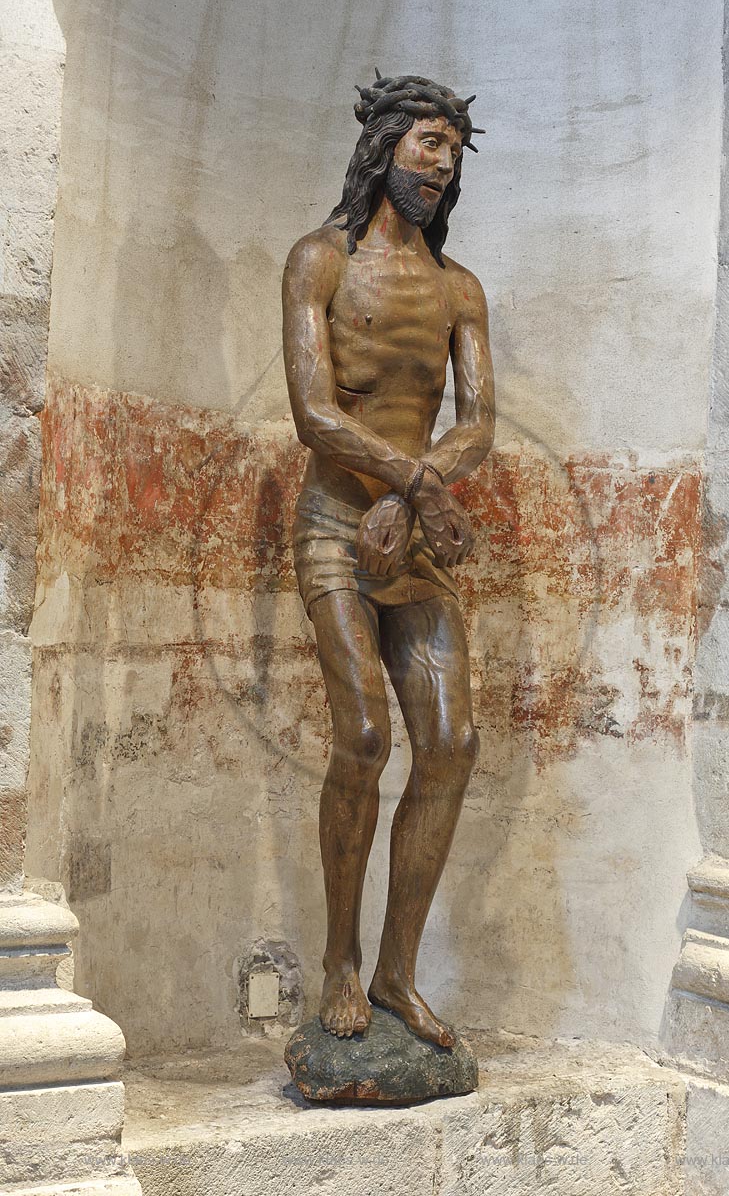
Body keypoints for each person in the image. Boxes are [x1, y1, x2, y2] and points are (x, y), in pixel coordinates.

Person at [282, 73, 495, 1046]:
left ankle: (398, 977)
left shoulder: (458, 289)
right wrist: (412, 485)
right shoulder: (319, 261)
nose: (438, 159)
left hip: (410, 535)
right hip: (335, 521)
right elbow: (314, 412)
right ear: (380, 149)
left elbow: (478, 420)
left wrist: (416, 496)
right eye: (423, 140)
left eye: (451, 145)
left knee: (449, 745)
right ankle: (339, 962)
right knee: (364, 738)